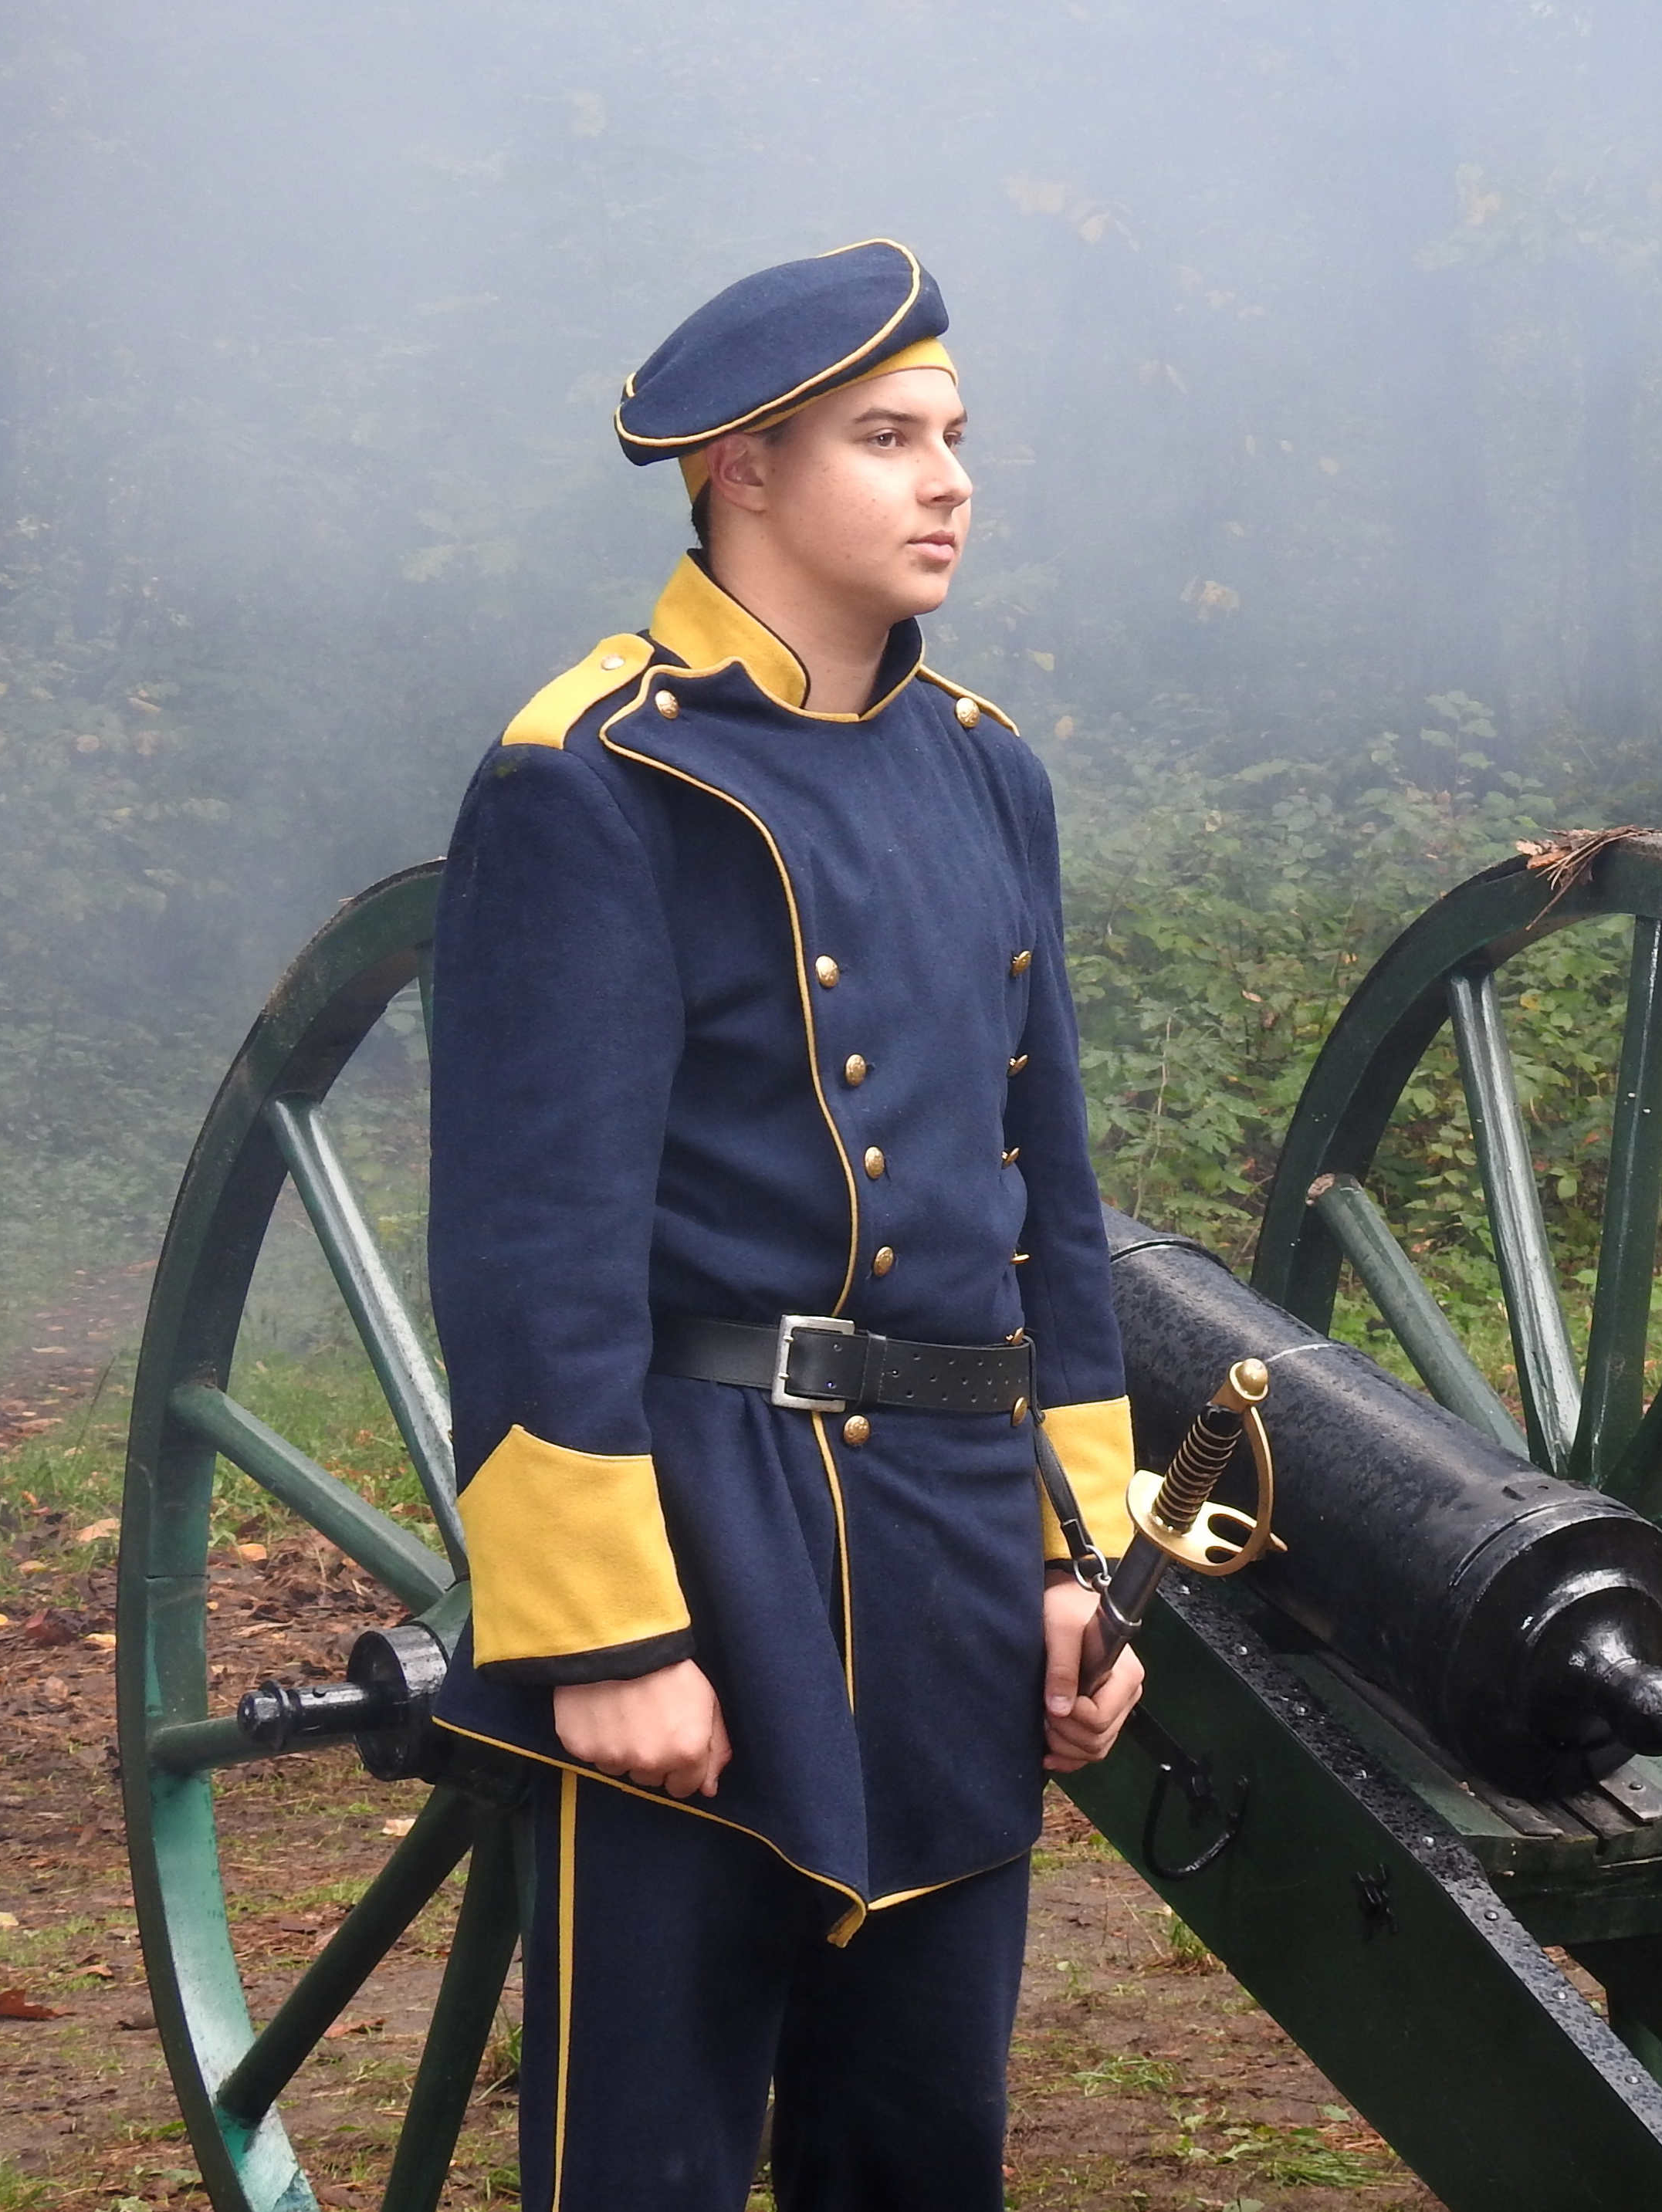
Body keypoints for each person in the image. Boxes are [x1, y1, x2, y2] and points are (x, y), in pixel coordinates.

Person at [425, 238, 1147, 2209]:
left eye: (956, 437)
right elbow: (532, 1245)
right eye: (886, 438)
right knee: (646, 2159)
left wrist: (1080, 1556)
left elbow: (1048, 1201)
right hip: (702, 1536)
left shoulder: (987, 768)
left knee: (923, 2145)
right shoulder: (595, 778)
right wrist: (604, 1631)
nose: (948, 482)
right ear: (742, 468)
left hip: (944, 1541)